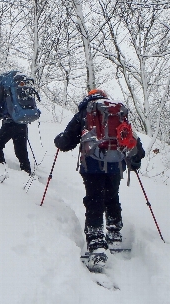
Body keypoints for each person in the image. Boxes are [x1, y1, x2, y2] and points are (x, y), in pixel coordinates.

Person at [54, 89, 145, 255]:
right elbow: (132, 138)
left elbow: (67, 142)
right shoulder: (117, 113)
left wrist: (58, 140)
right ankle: (114, 233)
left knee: (94, 198)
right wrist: (136, 157)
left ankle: (96, 241)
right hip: (116, 164)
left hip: (92, 165)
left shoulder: (84, 113)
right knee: (112, 196)